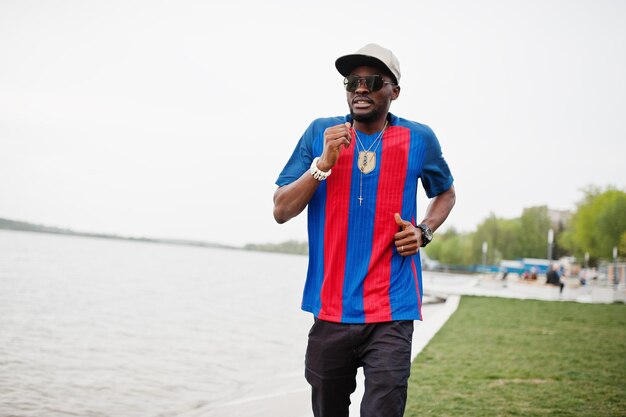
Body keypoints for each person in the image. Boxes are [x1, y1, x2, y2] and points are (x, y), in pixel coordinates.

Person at [273, 44, 456, 417]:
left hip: (392, 307)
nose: (361, 88)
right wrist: (323, 164)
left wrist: (424, 231)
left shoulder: (419, 139)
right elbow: (281, 210)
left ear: (394, 91)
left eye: (373, 81)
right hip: (330, 308)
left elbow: (445, 193)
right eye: (352, 81)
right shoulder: (319, 133)